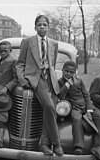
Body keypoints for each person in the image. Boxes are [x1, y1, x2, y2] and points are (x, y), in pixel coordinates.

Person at [15, 15, 64, 156]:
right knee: (49, 106)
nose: (42, 27)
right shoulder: (28, 41)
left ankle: (43, 144)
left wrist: (53, 77)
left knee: (50, 111)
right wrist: (23, 81)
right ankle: (56, 143)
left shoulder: (54, 43)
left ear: (48, 27)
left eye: (44, 24)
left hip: (51, 80)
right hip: (36, 78)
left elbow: (52, 64)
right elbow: (20, 64)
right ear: (35, 27)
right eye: (39, 24)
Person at [57, 61, 100, 160]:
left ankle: (98, 146)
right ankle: (79, 146)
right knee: (76, 119)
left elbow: (86, 95)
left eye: (71, 72)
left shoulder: (79, 80)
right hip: (74, 107)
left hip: (85, 106)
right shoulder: (59, 82)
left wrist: (89, 110)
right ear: (62, 71)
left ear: (75, 72)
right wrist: (67, 85)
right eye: (66, 71)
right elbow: (60, 96)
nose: (68, 74)